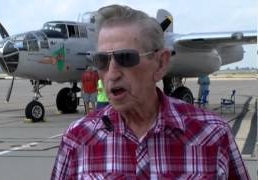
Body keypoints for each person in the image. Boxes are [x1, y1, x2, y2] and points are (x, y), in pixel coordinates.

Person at [51, 5, 249, 179]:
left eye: (126, 58)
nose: (111, 74)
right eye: (101, 60)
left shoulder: (213, 135)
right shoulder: (77, 138)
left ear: (161, 63)